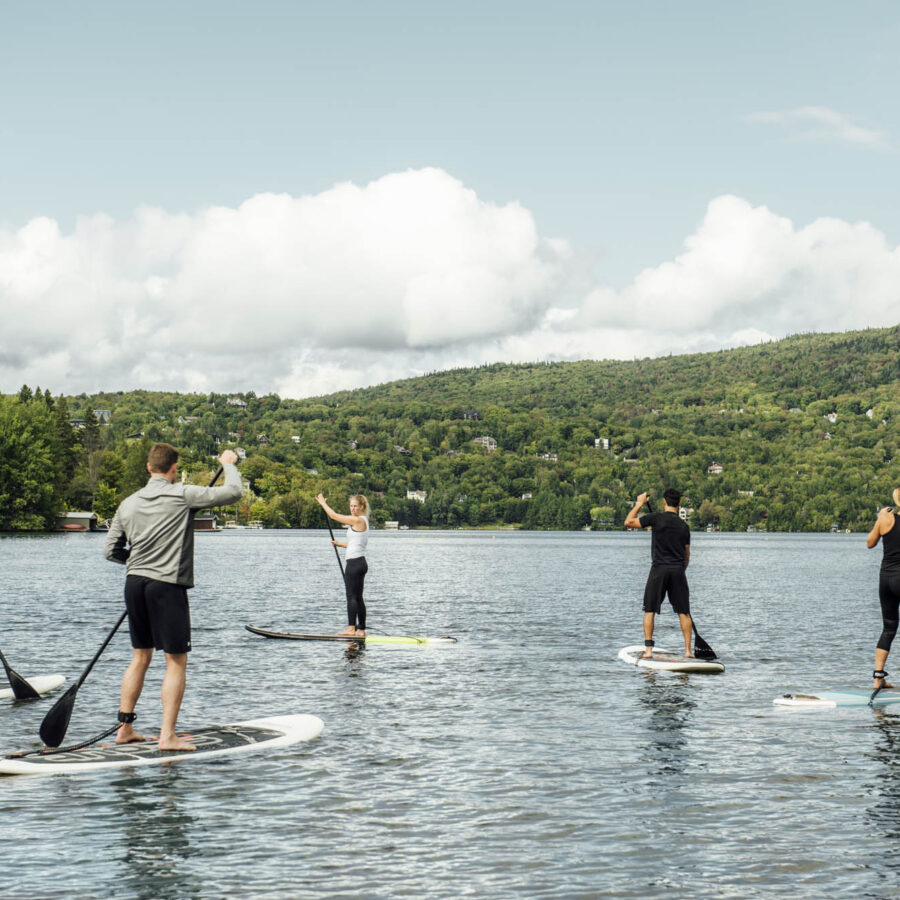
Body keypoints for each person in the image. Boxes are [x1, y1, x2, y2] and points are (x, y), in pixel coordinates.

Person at [104, 444, 242, 750]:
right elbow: (234, 493)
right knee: (175, 661)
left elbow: (111, 550)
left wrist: (139, 562)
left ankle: (124, 729)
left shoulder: (128, 503)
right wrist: (228, 463)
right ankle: (167, 736)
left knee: (140, 656)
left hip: (134, 583)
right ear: (174, 469)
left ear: (148, 467)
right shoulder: (182, 494)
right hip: (166, 586)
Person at [624, 488, 693, 659]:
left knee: (650, 610)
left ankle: (648, 651)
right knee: (683, 612)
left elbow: (629, 522)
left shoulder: (656, 519)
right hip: (678, 571)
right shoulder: (684, 526)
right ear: (679, 504)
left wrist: (640, 503)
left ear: (664, 502)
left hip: (659, 570)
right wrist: (680, 571)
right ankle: (688, 651)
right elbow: (687, 556)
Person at [316, 493, 369, 637]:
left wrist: (323, 504)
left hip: (354, 564)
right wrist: (339, 544)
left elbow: (333, 516)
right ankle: (361, 630)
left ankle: (351, 629)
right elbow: (354, 544)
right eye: (351, 506)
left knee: (351, 596)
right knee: (358, 597)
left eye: (355, 506)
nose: (352, 509)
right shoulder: (363, 521)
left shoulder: (357, 520)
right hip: (361, 562)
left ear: (362, 507)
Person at [866, 488, 900, 692]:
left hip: (885, 579)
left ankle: (878, 678)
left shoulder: (885, 519)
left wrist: (880, 519)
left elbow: (870, 543)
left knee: (888, 628)